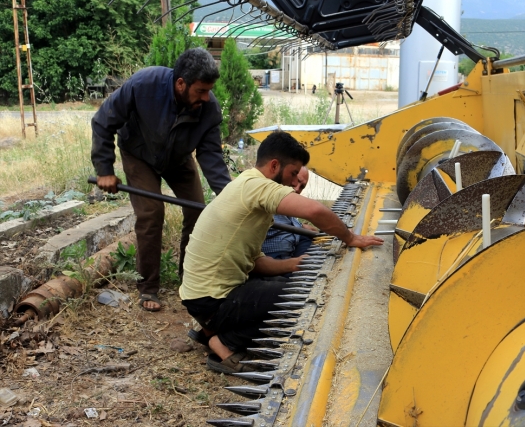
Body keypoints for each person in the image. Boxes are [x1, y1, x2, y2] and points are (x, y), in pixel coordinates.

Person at [180, 130, 383, 373]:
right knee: (301, 299)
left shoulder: (244, 185)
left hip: (203, 295)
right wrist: (350, 238)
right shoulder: (258, 186)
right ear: (275, 165)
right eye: (294, 173)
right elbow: (315, 212)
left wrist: (295, 265)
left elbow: (254, 261)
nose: (294, 182)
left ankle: (212, 330)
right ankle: (224, 342)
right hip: (211, 299)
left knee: (286, 283)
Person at [91, 48, 231, 312]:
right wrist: (104, 168)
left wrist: (229, 195)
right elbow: (103, 122)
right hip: (138, 153)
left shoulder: (208, 109)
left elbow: (211, 155)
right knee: (151, 213)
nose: (206, 97)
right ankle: (148, 287)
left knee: (199, 211)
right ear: (181, 84)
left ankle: (190, 278)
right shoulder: (143, 85)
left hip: (178, 158)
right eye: (200, 91)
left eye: (209, 90)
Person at [261, 166, 317, 260]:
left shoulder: (287, 203)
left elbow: (287, 222)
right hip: (274, 262)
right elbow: (316, 211)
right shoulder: (267, 199)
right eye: (297, 180)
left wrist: (301, 226)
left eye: (302, 186)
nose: (297, 189)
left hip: (292, 250)